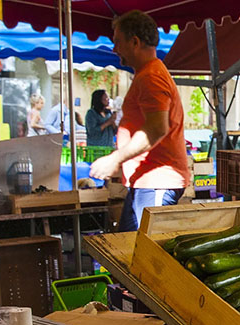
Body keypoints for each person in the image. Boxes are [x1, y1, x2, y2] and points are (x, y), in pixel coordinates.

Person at [89, 10, 189, 232]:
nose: (115, 49)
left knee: (148, 256)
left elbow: (156, 128)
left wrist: (115, 159)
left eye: (117, 42)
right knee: (129, 251)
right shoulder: (147, 74)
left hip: (156, 181)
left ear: (134, 42)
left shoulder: (151, 77)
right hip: (146, 181)